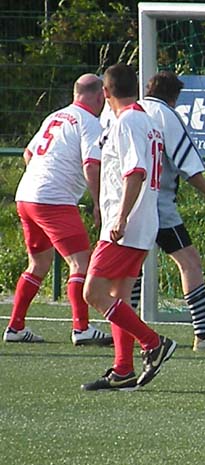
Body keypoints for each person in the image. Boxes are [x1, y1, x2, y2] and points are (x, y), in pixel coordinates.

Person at [126, 70, 205, 352]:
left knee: (131, 268)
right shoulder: (166, 115)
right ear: (174, 97)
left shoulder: (129, 113)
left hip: (126, 205)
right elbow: (186, 163)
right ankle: (204, 334)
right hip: (159, 205)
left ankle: (124, 333)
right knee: (190, 263)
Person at [81, 63, 177, 391]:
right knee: (118, 296)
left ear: (106, 92)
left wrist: (119, 218)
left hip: (126, 224)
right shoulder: (146, 120)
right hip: (141, 221)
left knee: (92, 292)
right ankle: (123, 369)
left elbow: (134, 172)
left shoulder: (128, 121)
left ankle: (153, 343)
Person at [3, 73, 112, 346]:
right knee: (81, 262)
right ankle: (82, 328)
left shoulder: (55, 116)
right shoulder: (90, 122)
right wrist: (99, 203)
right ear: (100, 96)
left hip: (26, 195)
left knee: (39, 263)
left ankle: (15, 328)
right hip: (53, 199)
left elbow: (28, 154)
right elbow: (91, 164)